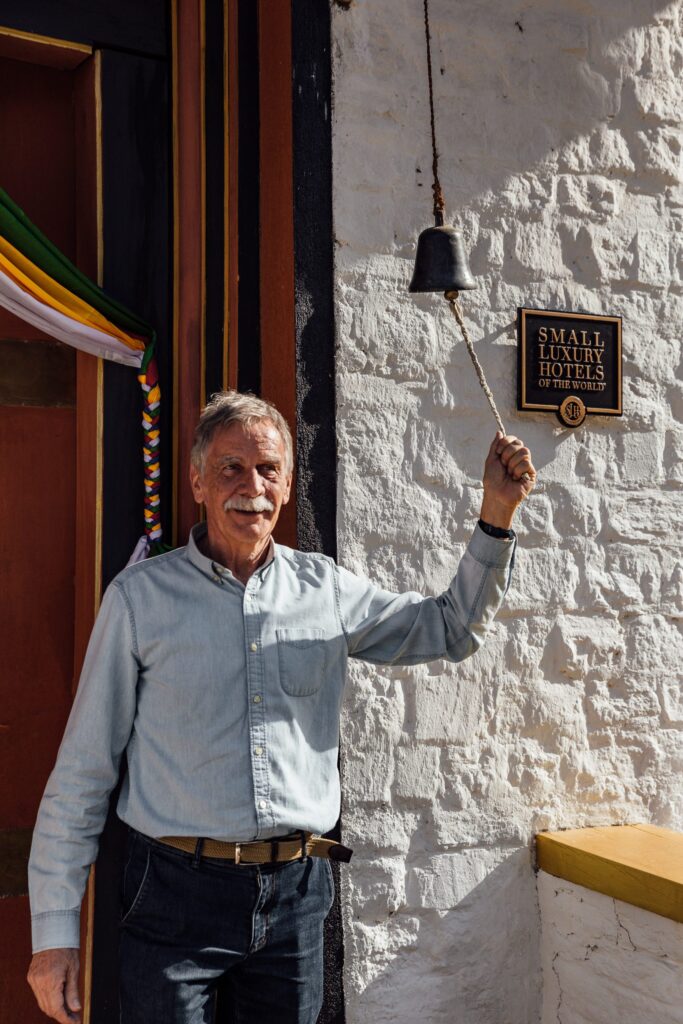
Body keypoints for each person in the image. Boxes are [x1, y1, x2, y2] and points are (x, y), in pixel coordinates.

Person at [27, 390, 536, 1024]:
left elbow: (450, 628)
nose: (252, 486)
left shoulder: (324, 588)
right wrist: (53, 935)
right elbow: (82, 773)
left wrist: (496, 511)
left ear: (289, 485)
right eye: (230, 468)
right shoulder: (138, 601)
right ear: (197, 482)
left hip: (296, 902)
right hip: (172, 899)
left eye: (268, 469)